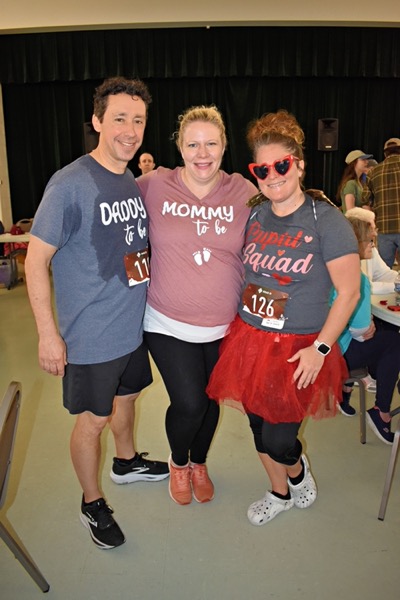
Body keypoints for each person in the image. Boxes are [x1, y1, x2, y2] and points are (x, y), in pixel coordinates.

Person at [25, 77, 169, 550]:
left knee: (128, 398)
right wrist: (49, 335)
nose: (130, 130)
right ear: (97, 121)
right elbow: (35, 261)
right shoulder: (69, 184)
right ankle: (92, 502)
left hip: (130, 327)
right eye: (120, 118)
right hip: (92, 335)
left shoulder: (126, 178)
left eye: (138, 120)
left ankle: (126, 462)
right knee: (93, 419)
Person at [206, 109, 361, 525]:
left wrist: (320, 349)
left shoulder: (327, 220)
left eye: (281, 165)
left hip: (299, 348)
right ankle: (278, 491)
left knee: (279, 438)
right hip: (250, 337)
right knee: (257, 425)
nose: (272, 176)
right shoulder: (255, 214)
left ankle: (296, 469)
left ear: (300, 165)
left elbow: (349, 293)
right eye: (262, 169)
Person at [137, 105, 258, 506]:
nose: (202, 153)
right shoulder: (155, 184)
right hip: (166, 321)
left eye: (211, 144)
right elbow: (112, 213)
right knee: (190, 402)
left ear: (224, 145)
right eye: (193, 145)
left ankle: (199, 463)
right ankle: (178, 462)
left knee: (210, 402)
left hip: (225, 326)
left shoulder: (244, 191)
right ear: (180, 147)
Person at [331, 209, 400, 443]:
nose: (375, 240)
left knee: (385, 336)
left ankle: (365, 385)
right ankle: (382, 411)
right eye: (370, 239)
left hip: (328, 348)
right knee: (394, 342)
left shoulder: (333, 265)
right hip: (341, 353)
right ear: (358, 240)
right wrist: (364, 327)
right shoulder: (357, 277)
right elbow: (361, 332)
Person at [362, 138, 400, 268]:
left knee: (384, 271)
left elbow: (365, 201)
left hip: (384, 228)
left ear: (385, 153)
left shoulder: (373, 172)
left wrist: (370, 227)